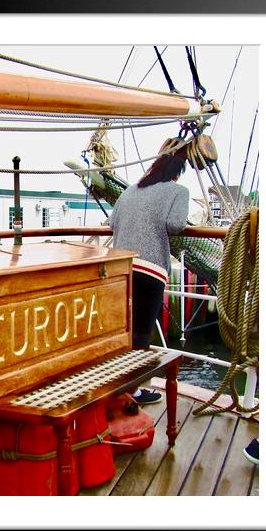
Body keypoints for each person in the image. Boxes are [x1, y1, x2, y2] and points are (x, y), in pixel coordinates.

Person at [109, 146, 190, 405]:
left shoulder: (129, 191)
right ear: (175, 174)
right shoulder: (178, 191)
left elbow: (112, 224)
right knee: (142, 333)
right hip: (150, 268)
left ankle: (116, 386)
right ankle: (133, 393)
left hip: (120, 268)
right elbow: (176, 224)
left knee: (122, 331)